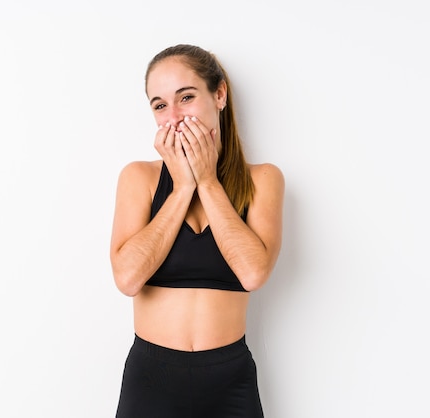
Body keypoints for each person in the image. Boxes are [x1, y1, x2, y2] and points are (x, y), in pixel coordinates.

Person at [109, 44, 285, 418]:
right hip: (150, 379)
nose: (172, 117)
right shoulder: (138, 178)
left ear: (219, 94)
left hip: (229, 380)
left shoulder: (263, 179)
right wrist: (183, 187)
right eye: (159, 106)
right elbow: (127, 279)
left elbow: (253, 273)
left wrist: (207, 181)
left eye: (185, 98)